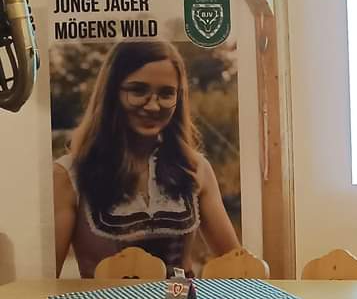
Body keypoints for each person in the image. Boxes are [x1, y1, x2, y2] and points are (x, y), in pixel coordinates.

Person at [53, 39, 240, 277]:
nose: (153, 106)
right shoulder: (69, 175)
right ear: (111, 93)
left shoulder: (195, 168)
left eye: (166, 93)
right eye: (138, 90)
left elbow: (234, 265)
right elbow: (48, 282)